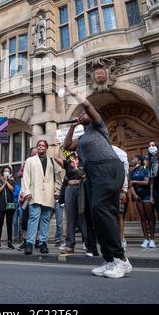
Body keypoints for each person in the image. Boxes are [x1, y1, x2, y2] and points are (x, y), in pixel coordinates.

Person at [63, 85, 132, 279]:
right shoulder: (83, 136)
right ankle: (109, 258)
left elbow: (88, 106)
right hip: (93, 173)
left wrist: (75, 94)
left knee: (102, 210)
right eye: (81, 114)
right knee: (95, 214)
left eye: (85, 113)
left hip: (107, 168)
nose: (83, 114)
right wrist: (72, 126)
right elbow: (67, 146)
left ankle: (121, 260)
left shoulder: (98, 127)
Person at [21, 140, 62, 255]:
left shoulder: (52, 161)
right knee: (33, 218)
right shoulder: (30, 160)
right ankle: (30, 244)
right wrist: (26, 192)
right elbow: (26, 177)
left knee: (45, 220)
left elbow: (58, 178)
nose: (41, 147)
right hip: (34, 194)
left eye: (43, 145)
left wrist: (56, 190)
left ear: (47, 148)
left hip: (48, 195)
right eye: (39, 145)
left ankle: (43, 243)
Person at [54, 141, 84, 254]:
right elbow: (56, 157)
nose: (74, 153)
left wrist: (77, 166)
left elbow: (83, 175)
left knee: (83, 217)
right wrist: (57, 144)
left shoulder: (84, 161)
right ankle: (70, 245)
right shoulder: (68, 163)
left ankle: (88, 244)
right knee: (70, 218)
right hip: (70, 190)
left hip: (82, 190)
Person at [129, 155, 155, 248]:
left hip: (147, 195)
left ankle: (152, 239)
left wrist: (135, 181)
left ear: (139, 161)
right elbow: (130, 184)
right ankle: (145, 239)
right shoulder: (132, 171)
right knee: (142, 218)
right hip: (138, 196)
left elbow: (146, 182)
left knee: (150, 217)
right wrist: (134, 194)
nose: (132, 160)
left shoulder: (145, 169)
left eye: (134, 159)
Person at [0, 166, 16, 249]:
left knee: (9, 224)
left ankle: (10, 242)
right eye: (5, 170)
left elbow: (12, 189)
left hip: (10, 205)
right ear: (3, 172)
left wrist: (7, 182)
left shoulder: (12, 181)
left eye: (8, 171)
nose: (6, 172)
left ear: (10, 173)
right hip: (0, 205)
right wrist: (3, 184)